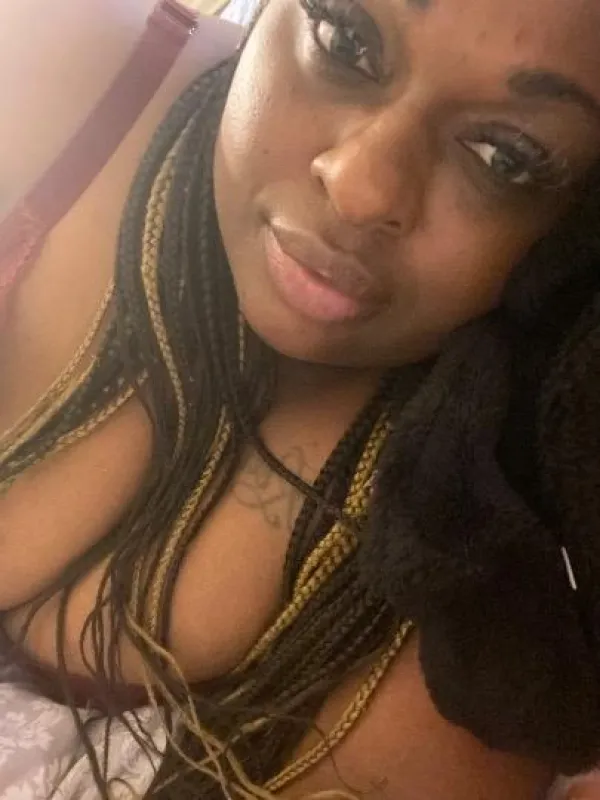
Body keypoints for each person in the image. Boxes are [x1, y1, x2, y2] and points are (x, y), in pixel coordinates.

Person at [1, 0, 600, 797]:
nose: (358, 187)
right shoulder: (40, 79)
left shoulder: (483, 570)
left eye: (506, 155)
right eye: (344, 37)